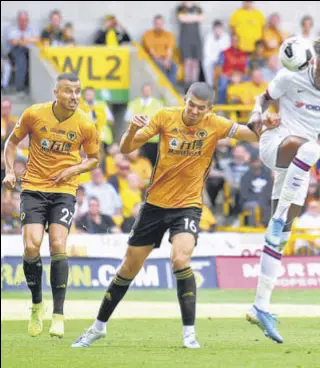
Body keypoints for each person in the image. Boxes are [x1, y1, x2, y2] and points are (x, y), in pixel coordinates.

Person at [70, 82, 278, 349]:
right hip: (155, 206)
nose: (193, 111)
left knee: (181, 259)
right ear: (184, 99)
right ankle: (97, 327)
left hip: (188, 206)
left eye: (200, 108)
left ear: (209, 109)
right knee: (128, 268)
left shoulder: (215, 123)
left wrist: (266, 125)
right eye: (190, 104)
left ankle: (189, 334)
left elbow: (250, 135)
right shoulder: (164, 117)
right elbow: (125, 148)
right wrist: (133, 127)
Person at [244, 36, 320, 344]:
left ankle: (260, 306)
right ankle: (278, 218)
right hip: (278, 144)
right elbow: (263, 99)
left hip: (298, 165)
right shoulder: (290, 75)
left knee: (282, 235)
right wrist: (257, 116)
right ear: (314, 61)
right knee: (313, 147)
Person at [2, 73, 100, 338]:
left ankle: (58, 313)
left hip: (64, 190)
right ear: (56, 92)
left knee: (58, 244)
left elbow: (94, 159)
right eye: (69, 91)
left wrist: (73, 170)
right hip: (33, 188)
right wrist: (10, 171)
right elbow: (11, 142)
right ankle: (37, 304)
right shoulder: (35, 114)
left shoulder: (85, 123)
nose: (75, 97)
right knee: (31, 245)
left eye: (78, 91)